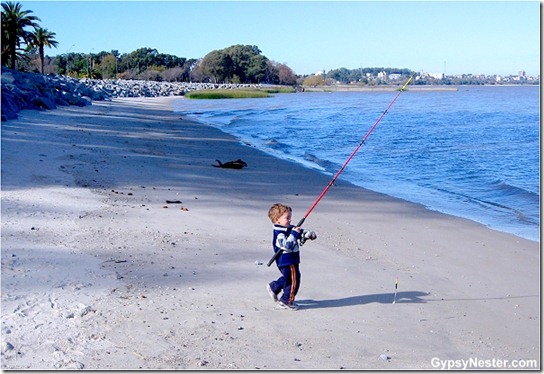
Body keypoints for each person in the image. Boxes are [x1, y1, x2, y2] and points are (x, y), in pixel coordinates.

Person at [267, 203, 317, 311]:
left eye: (290, 217)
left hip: (291, 260)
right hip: (286, 261)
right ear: (277, 220)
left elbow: (299, 232)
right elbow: (287, 245)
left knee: (288, 278)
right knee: (294, 280)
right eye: (287, 218)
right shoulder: (279, 233)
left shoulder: (288, 228)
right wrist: (294, 234)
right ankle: (286, 301)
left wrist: (307, 235)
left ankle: (274, 287)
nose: (290, 220)